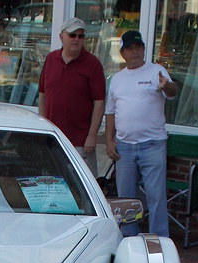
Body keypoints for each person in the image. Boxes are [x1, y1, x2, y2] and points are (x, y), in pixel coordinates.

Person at [104, 30, 177, 238]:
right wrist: (109, 141)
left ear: (144, 49)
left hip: (153, 144)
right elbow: (110, 112)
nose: (135, 52)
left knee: (156, 197)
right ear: (123, 53)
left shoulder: (157, 71)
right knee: (126, 200)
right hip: (124, 148)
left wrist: (167, 85)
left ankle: (159, 241)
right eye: (130, 48)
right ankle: (129, 240)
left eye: (138, 47)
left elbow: (172, 92)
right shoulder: (117, 79)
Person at [37, 17, 105, 175]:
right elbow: (42, 95)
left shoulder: (93, 64)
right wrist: (42, 127)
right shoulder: (50, 59)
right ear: (62, 37)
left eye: (81, 36)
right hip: (52, 139)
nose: (77, 39)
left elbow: (99, 103)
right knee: (52, 183)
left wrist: (92, 135)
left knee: (82, 189)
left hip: (80, 141)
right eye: (72, 35)